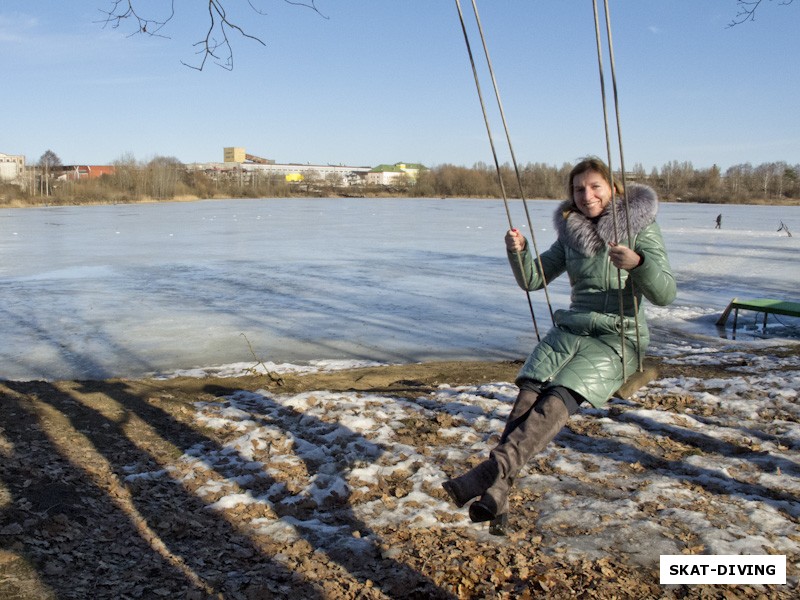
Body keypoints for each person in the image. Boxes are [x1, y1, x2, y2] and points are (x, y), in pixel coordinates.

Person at [442, 156, 676, 533]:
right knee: (526, 400)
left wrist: (638, 262)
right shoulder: (572, 233)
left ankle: (489, 472)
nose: (587, 195)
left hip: (619, 335)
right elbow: (533, 280)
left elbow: (666, 293)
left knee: (555, 402)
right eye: (579, 189)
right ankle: (497, 494)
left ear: (612, 188)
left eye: (595, 186)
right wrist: (518, 250)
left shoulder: (641, 229)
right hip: (572, 329)